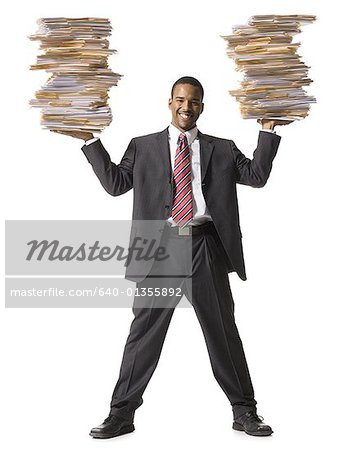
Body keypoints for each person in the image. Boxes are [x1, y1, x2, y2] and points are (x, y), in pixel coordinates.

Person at [53, 76, 292, 438]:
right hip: (159, 247)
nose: (186, 107)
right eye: (180, 100)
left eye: (193, 101)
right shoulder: (143, 146)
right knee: (143, 335)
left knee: (222, 333)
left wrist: (269, 130)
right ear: (169, 103)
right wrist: (90, 140)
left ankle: (245, 412)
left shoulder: (222, 148)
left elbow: (256, 176)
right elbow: (116, 184)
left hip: (205, 246)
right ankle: (121, 414)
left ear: (201, 107)